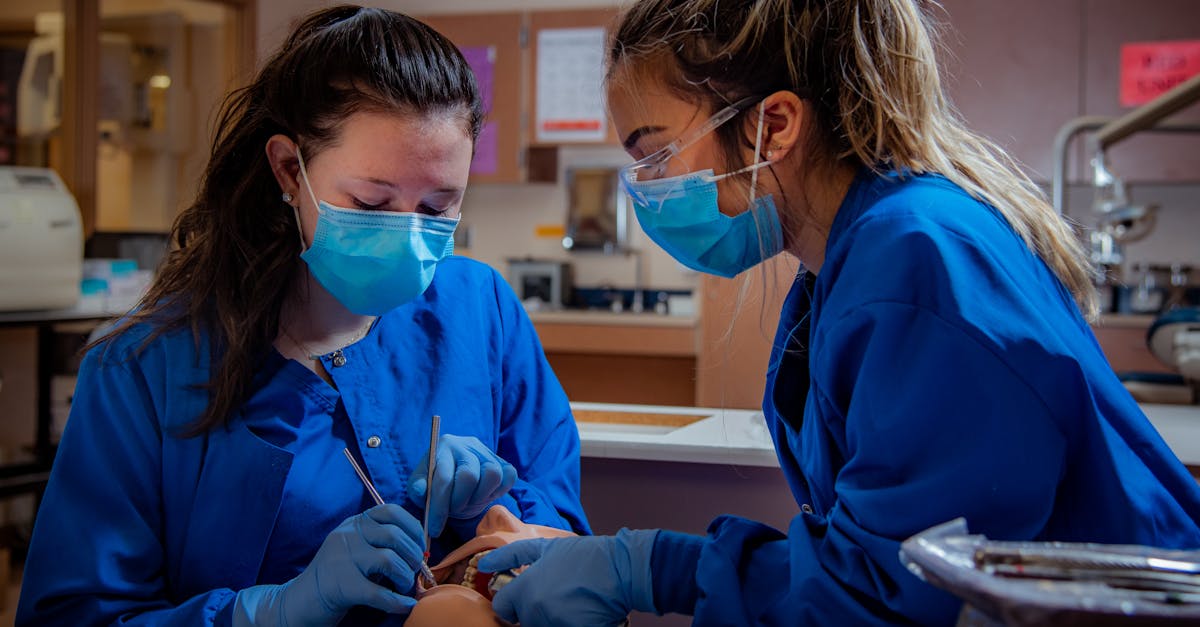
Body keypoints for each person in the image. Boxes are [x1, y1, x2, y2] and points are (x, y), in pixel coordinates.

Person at [479, 1, 1200, 625]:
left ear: (774, 125)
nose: (647, 189)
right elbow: (870, 553)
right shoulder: (850, 261)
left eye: (657, 155)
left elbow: (887, 596)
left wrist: (650, 568)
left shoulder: (917, 259)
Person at [16, 6, 588, 626]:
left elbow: (568, 552)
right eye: (371, 202)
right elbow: (72, 614)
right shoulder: (146, 370)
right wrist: (272, 610)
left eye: (437, 206)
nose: (406, 234)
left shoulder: (481, 310)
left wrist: (498, 516)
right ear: (290, 169)